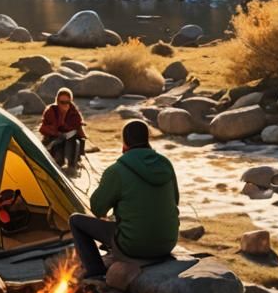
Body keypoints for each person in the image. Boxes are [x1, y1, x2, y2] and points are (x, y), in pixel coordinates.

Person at [69, 120, 179, 279]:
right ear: (147, 139)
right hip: (167, 243)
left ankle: (96, 272)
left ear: (124, 143)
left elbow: (98, 209)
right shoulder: (165, 164)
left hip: (134, 246)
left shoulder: (117, 170)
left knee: (76, 221)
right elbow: (174, 200)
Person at [39, 87, 86, 172]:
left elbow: (78, 127)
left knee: (75, 141)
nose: (65, 105)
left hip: (70, 140)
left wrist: (82, 136)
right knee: (58, 156)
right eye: (62, 102)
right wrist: (61, 119)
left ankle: (73, 164)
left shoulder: (74, 112)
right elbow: (42, 129)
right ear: (57, 101)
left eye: (67, 102)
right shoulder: (51, 110)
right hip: (55, 139)